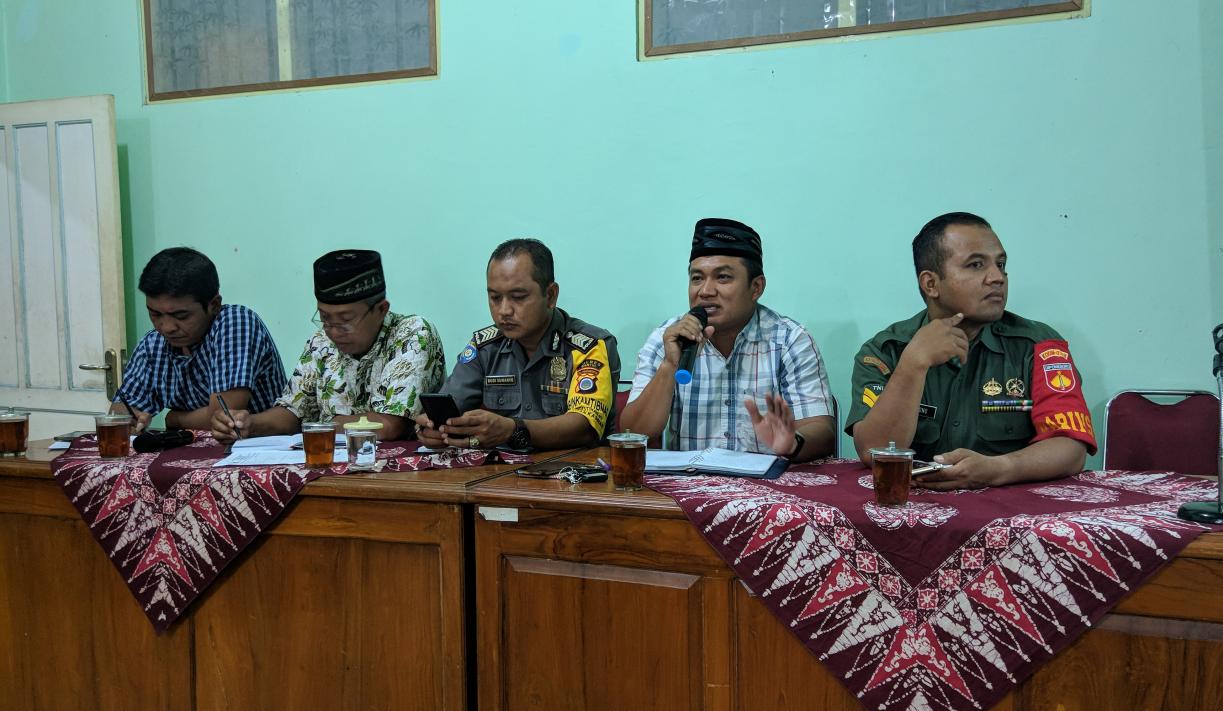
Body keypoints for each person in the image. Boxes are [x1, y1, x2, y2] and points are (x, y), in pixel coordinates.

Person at [848, 212, 1096, 489]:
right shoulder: (886, 351)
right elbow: (873, 451)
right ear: (931, 284)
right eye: (976, 265)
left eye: (1001, 265)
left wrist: (998, 469)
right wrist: (913, 364)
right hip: (914, 504)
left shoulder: (1037, 345)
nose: (997, 278)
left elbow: (1071, 448)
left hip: (1012, 506)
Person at [621, 217, 836, 462]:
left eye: (722, 277)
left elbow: (822, 430)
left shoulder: (790, 340)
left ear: (756, 287)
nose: (705, 291)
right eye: (697, 278)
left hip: (766, 482)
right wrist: (670, 366)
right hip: (690, 481)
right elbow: (632, 434)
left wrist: (792, 443)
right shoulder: (667, 338)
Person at [210, 249, 445, 442]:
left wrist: (320, 426)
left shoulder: (412, 334)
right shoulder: (320, 342)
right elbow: (292, 412)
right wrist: (249, 423)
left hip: (398, 473)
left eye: (345, 320)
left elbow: (388, 425)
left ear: (381, 309)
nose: (333, 331)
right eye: (325, 318)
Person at [418, 238, 620, 451]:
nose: (504, 310)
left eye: (518, 297)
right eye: (495, 298)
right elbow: (450, 406)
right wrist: (433, 428)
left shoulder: (589, 346)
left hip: (572, 468)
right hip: (500, 468)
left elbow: (584, 428)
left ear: (550, 295)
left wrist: (514, 430)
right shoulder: (484, 347)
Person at [118, 247, 286, 434]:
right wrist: (129, 420)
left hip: (255, 447)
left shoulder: (235, 322)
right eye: (155, 314)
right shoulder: (153, 344)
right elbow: (119, 412)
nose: (167, 327)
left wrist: (175, 419)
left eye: (181, 316)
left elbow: (222, 418)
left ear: (214, 305)